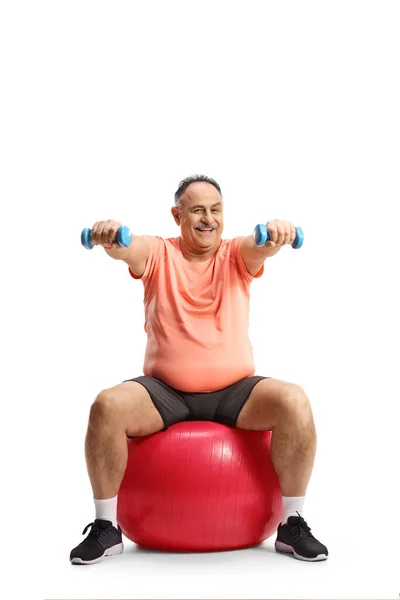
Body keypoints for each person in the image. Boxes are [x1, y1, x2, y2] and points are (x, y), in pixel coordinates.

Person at [70, 174, 328, 565]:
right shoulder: (158, 253)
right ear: (177, 215)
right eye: (196, 210)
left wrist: (276, 234)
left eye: (215, 210)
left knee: (294, 400)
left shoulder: (235, 256)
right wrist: (111, 237)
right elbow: (129, 248)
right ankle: (107, 528)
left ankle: (292, 523)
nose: (208, 219)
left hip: (236, 391)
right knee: (106, 406)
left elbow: (258, 249)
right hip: (164, 392)